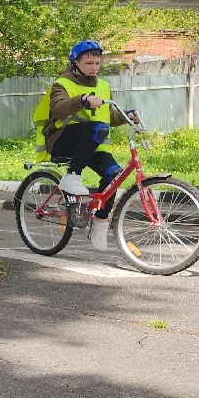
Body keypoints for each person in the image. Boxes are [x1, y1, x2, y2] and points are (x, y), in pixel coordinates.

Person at [31, 40, 133, 251]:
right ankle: (72, 175)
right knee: (96, 128)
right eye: (89, 63)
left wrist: (126, 116)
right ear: (75, 62)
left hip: (92, 144)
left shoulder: (103, 86)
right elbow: (59, 109)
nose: (94, 68)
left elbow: (108, 116)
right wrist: (83, 99)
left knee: (114, 175)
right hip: (62, 141)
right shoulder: (62, 83)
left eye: (97, 63)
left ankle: (100, 223)